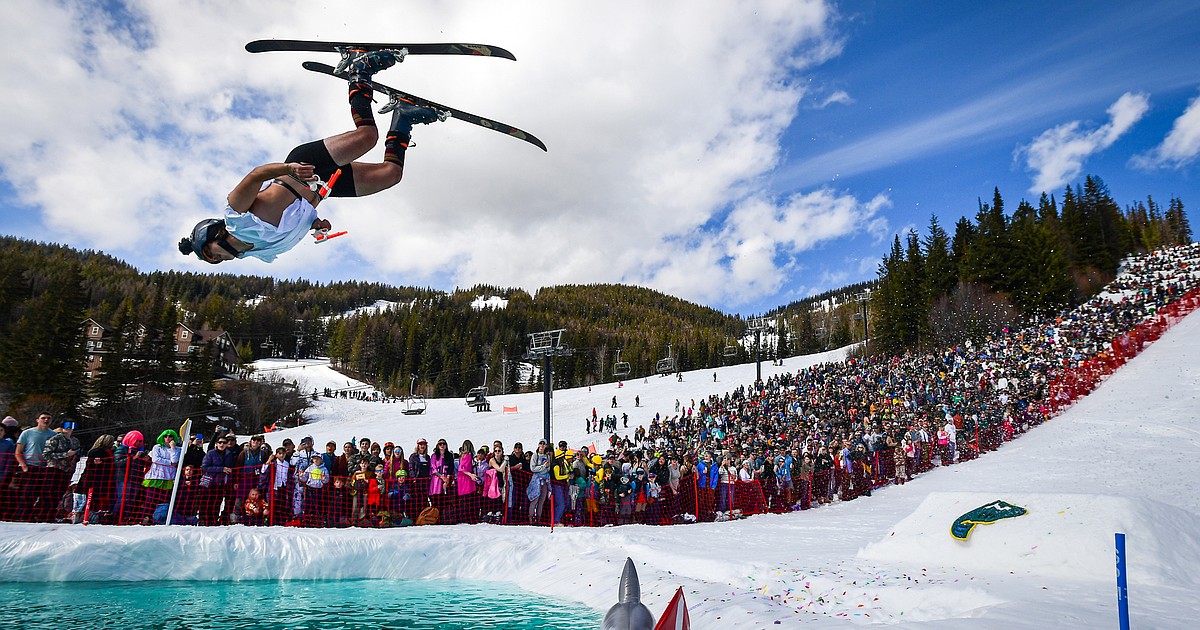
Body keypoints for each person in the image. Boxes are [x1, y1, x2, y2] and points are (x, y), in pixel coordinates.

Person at [179, 50, 442, 265]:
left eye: (209, 253)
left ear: (212, 235)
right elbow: (294, 220)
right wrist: (316, 225)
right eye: (212, 260)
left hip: (303, 167)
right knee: (391, 175)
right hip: (327, 185)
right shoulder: (263, 252)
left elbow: (257, 174)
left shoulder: (236, 216)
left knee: (366, 136)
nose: (216, 258)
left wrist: (289, 169)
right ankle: (404, 117)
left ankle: (359, 71)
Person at [72, 434, 116, 523]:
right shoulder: (97, 452)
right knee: (90, 500)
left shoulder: (109, 452)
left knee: (96, 501)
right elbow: (92, 466)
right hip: (94, 480)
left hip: (101, 480)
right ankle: (85, 517)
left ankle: (91, 517)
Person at [141, 430, 182, 522]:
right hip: (155, 476)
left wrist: (172, 448)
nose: (168, 438)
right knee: (150, 499)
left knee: (164, 500)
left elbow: (175, 460)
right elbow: (156, 459)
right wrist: (170, 463)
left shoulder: (178, 449)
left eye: (170, 436)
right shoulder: (157, 447)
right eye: (165, 436)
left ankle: (159, 518)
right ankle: (146, 517)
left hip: (168, 478)